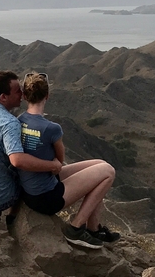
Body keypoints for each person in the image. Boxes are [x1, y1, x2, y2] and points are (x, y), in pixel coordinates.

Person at [17, 72, 120, 249]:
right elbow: (60, 160)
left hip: (31, 190)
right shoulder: (51, 128)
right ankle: (76, 228)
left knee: (99, 165)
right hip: (46, 198)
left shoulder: (20, 121)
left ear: (25, 96)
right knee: (108, 171)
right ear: (47, 96)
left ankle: (94, 229)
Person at [0, 70, 63, 220]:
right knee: (27, 175)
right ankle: (14, 216)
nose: (22, 94)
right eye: (17, 91)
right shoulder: (9, 122)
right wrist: (53, 166)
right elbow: (17, 161)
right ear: (3, 97)